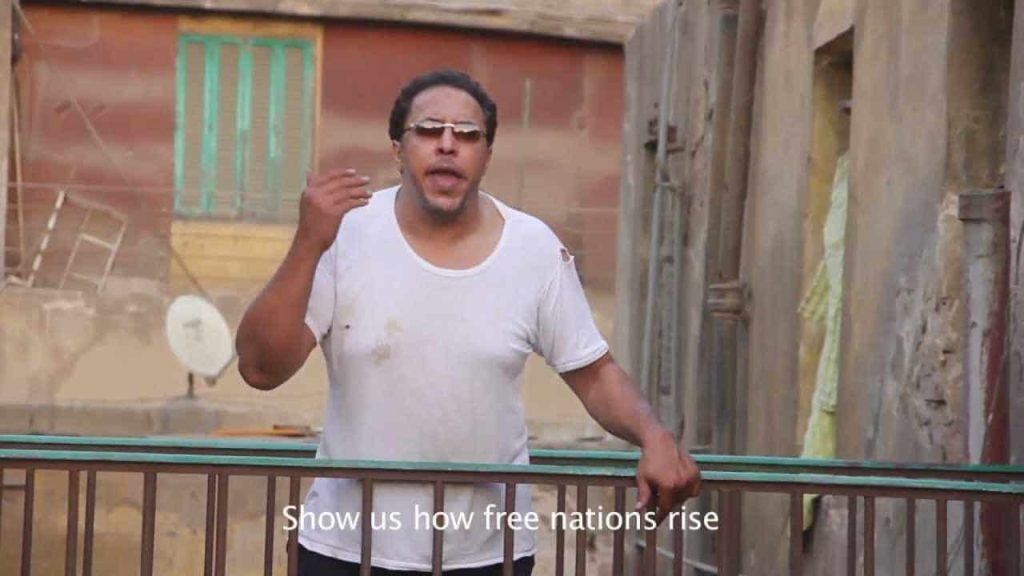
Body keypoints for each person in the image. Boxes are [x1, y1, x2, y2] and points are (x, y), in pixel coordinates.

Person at [235, 69, 701, 576]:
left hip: (488, 554)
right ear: (398, 150)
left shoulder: (533, 249)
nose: (447, 144)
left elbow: (595, 374)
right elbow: (261, 369)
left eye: (468, 134)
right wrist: (308, 243)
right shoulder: (345, 235)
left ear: (487, 155)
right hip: (346, 550)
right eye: (428, 130)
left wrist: (654, 436)